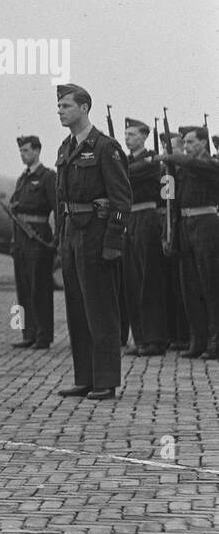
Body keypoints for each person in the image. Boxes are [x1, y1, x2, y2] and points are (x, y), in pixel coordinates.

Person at [53, 83, 131, 400]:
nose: (60, 111)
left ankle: (106, 380)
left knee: (101, 310)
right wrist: (61, 241)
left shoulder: (105, 147)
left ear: (84, 108)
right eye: (58, 106)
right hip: (73, 235)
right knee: (77, 311)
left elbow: (122, 199)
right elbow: (61, 200)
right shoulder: (64, 148)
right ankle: (84, 377)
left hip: (97, 236)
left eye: (66, 106)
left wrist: (113, 243)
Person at [160, 126, 219, 360]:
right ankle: (198, 340)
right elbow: (170, 201)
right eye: (185, 142)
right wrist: (170, 233)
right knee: (190, 286)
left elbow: (197, 165)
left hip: (206, 224)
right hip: (185, 225)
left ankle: (215, 342)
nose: (187, 146)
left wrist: (172, 157)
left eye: (192, 142)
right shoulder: (181, 166)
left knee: (210, 285)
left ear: (204, 143)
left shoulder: (210, 164)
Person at [120, 119, 168, 357]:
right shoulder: (128, 162)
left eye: (132, 134)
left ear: (144, 137)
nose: (127, 138)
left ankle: (155, 339)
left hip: (147, 218)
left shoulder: (151, 160)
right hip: (129, 220)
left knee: (149, 279)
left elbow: (123, 176)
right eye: (126, 134)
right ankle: (140, 339)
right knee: (132, 280)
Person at [8, 135, 57, 350]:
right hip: (20, 239)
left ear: (37, 151)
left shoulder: (47, 176)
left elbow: (57, 207)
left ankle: (43, 336)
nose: (22, 155)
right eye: (20, 151)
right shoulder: (22, 178)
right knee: (23, 288)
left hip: (38, 238)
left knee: (40, 288)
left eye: (26, 150)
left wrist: (56, 238)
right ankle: (27, 333)